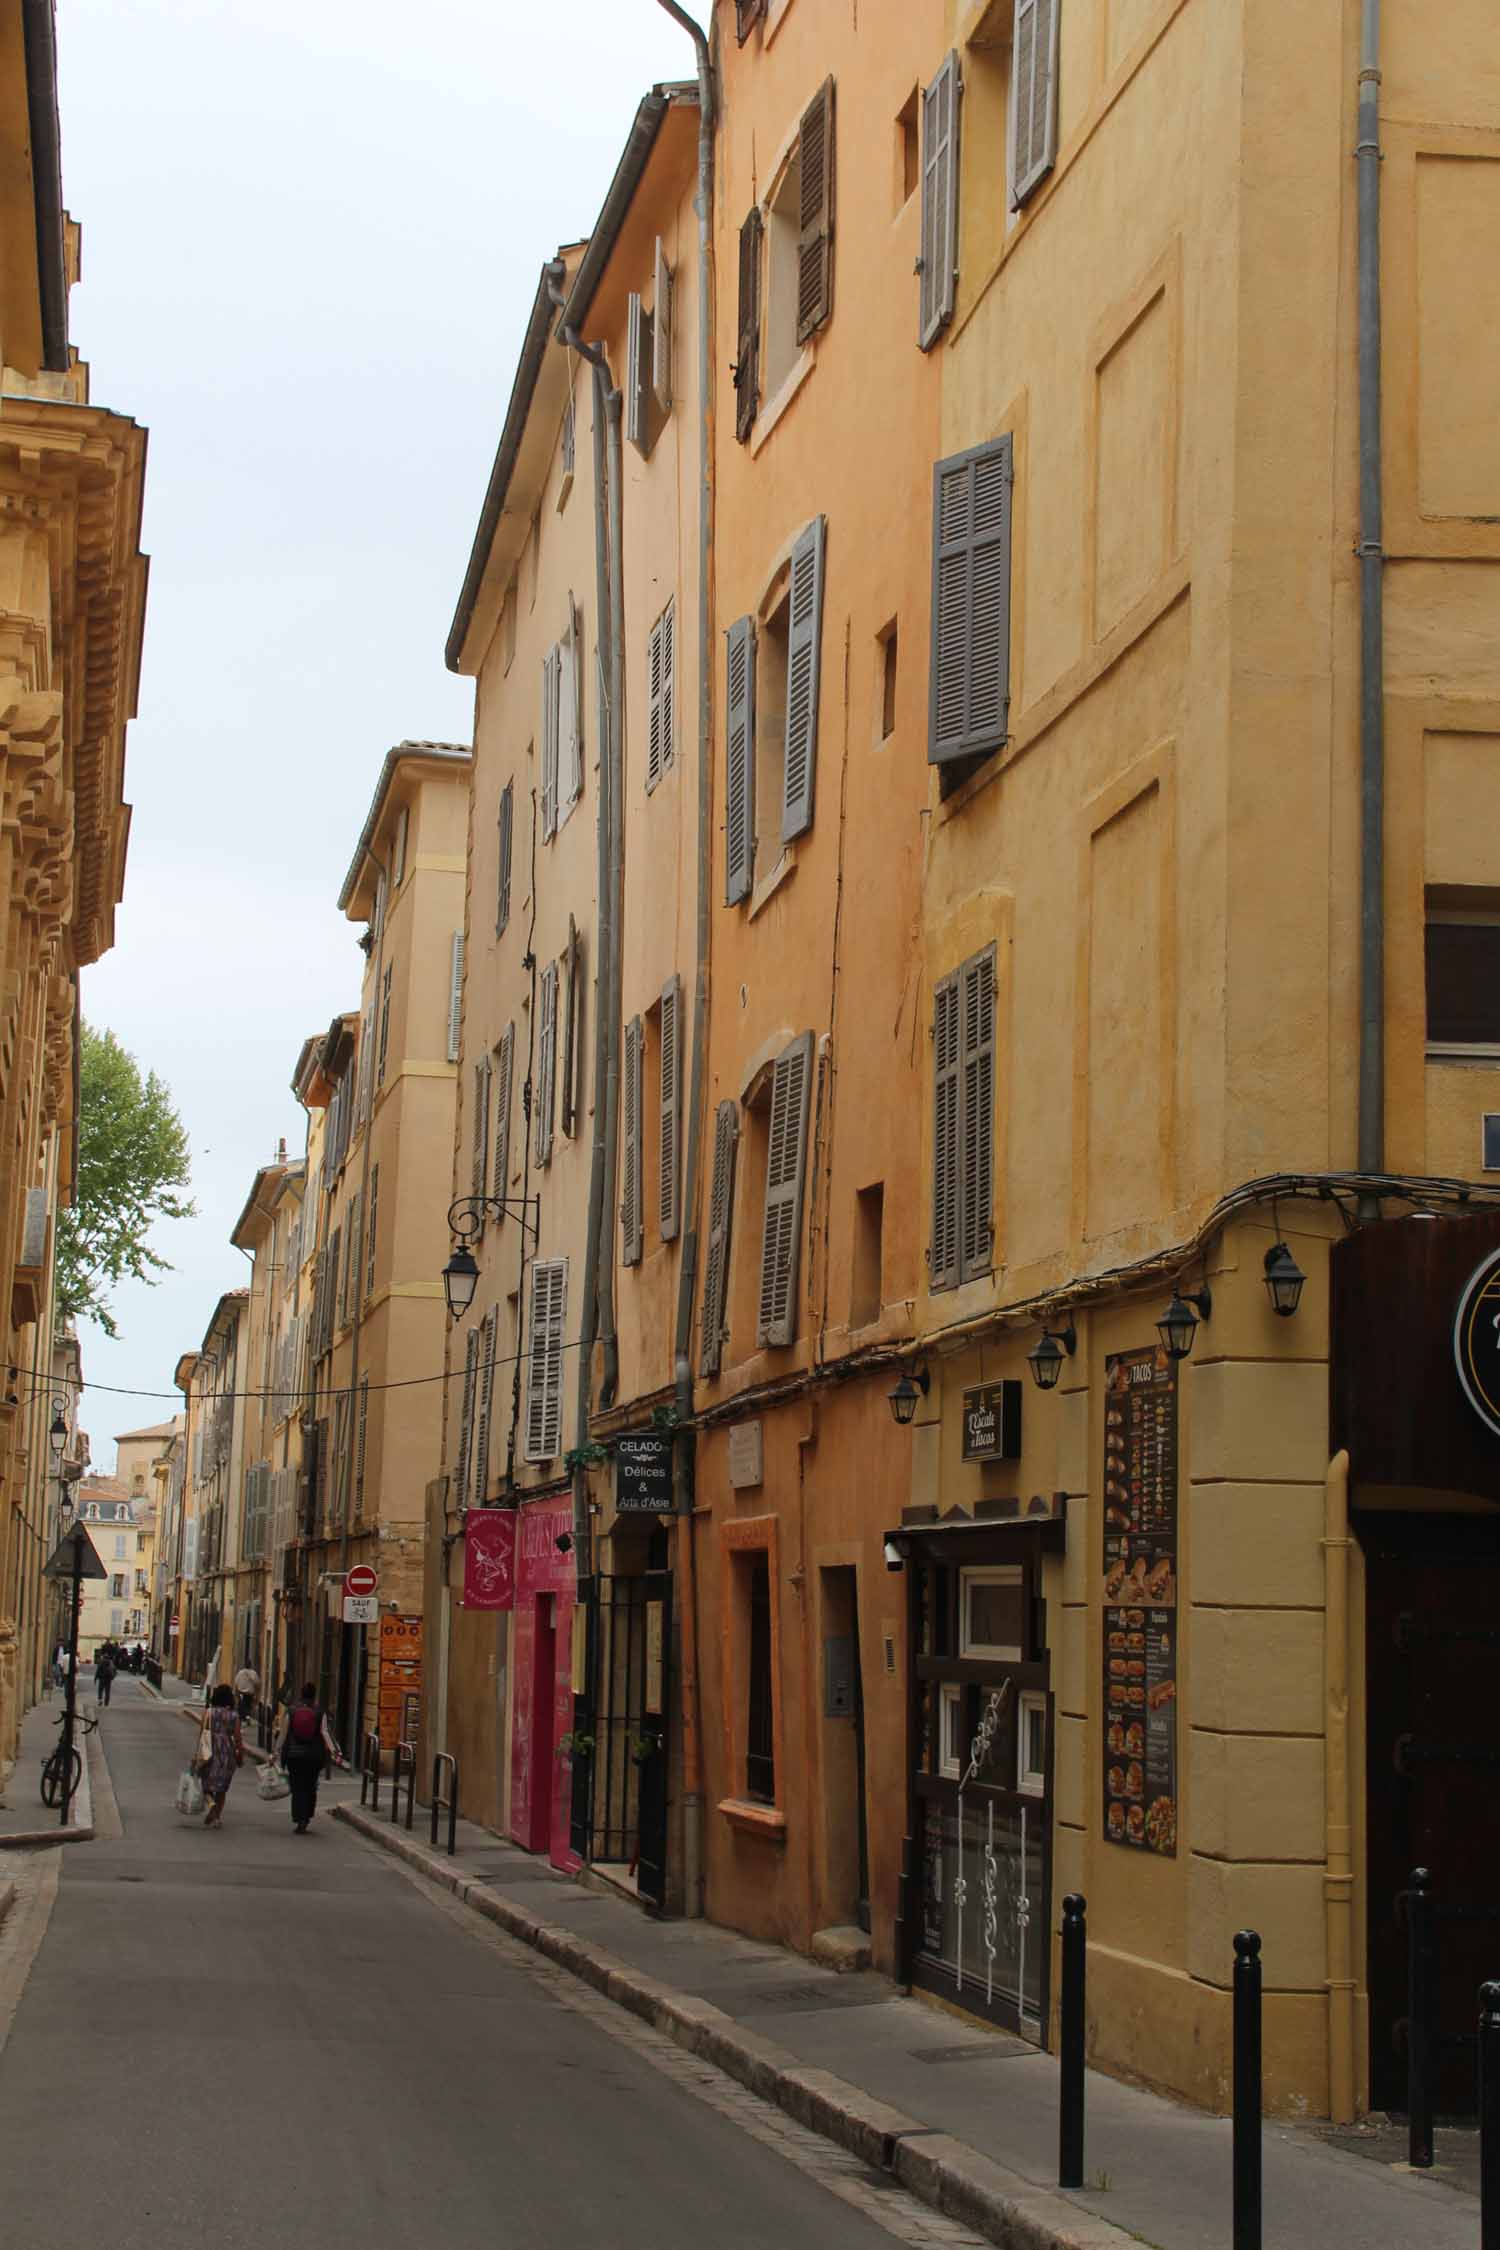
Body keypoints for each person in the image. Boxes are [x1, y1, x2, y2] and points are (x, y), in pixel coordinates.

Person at [275, 1685, 341, 1834]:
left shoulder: (291, 1711)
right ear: (314, 1695)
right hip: (314, 1756)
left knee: (297, 1788)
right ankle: (307, 1816)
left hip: (294, 1756)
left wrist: (276, 1752)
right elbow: (325, 1733)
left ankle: (299, 1818)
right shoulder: (319, 1712)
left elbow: (283, 1734)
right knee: (310, 1786)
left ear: (301, 1694)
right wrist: (334, 1751)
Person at [198, 1682, 243, 1829]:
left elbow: (202, 1734)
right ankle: (217, 1817)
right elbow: (237, 1739)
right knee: (222, 1788)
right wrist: (240, 1755)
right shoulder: (234, 1716)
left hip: (209, 1751)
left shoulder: (208, 1713)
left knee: (206, 1784)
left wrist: (197, 1753)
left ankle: (210, 1804)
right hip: (226, 1754)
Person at [233, 1659, 260, 1725]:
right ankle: (247, 1716)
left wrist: (236, 1692)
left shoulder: (240, 1672)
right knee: (248, 1706)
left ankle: (242, 1718)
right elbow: (257, 1683)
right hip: (250, 1693)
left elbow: (236, 1682)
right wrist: (257, 1693)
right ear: (250, 1665)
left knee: (241, 1705)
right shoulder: (254, 1673)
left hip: (241, 1692)